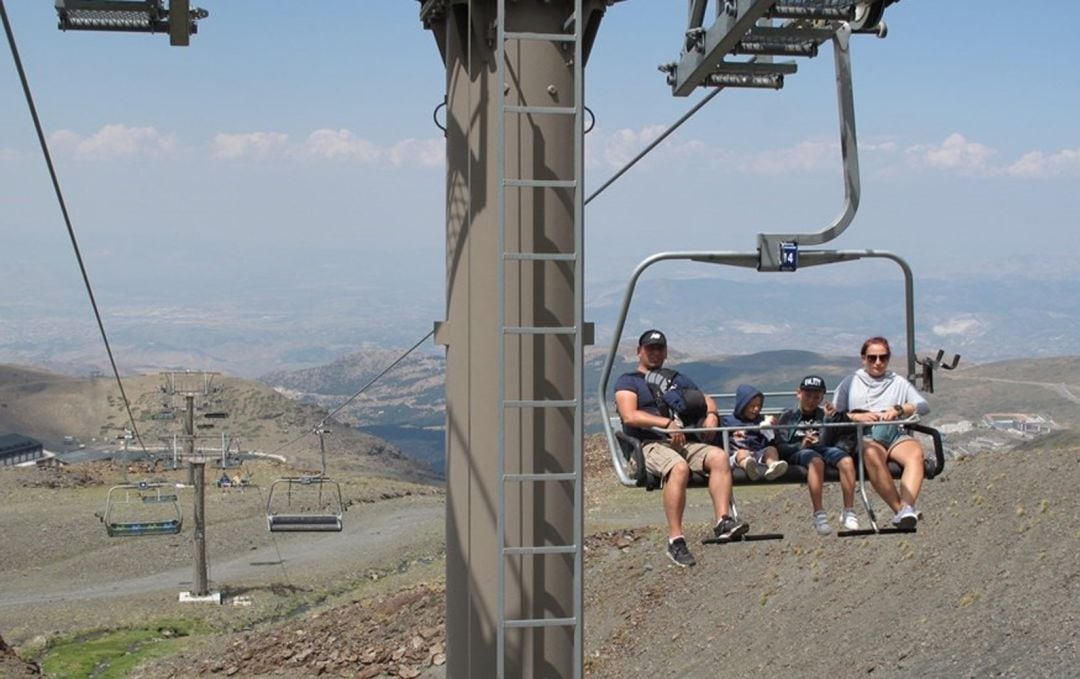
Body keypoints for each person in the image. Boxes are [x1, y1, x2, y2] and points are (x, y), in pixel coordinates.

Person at [614, 329, 748, 567]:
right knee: (679, 467)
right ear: (639, 351)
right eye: (650, 349)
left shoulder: (675, 379)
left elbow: (705, 398)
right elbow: (630, 415)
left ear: (665, 352)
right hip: (649, 444)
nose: (655, 353)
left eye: (659, 349)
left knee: (718, 457)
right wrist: (665, 424)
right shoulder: (629, 381)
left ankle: (722, 520)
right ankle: (676, 539)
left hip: (683, 441)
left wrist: (711, 415)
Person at [833, 336, 930, 529]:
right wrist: (857, 417)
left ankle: (906, 507)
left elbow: (923, 405)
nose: (878, 363)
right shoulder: (850, 382)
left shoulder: (897, 382)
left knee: (915, 453)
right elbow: (835, 414)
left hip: (892, 431)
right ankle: (900, 511)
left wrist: (899, 410)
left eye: (882, 358)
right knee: (871, 454)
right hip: (866, 434)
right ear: (864, 359)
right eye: (872, 358)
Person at [775, 375, 859, 535]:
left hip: (822, 448)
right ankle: (819, 514)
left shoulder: (824, 415)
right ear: (798, 393)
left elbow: (829, 442)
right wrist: (801, 445)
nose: (812, 400)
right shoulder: (787, 416)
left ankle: (849, 510)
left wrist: (827, 422)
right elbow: (781, 447)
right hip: (799, 451)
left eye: (816, 396)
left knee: (846, 461)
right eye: (807, 395)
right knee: (815, 461)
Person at [720, 385, 788, 482]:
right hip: (736, 453)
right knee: (742, 453)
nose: (756, 409)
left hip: (757, 452)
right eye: (752, 406)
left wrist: (772, 430)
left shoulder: (760, 421)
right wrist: (734, 434)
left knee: (771, 450)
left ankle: (773, 466)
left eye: (759, 406)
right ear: (742, 405)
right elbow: (720, 438)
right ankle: (748, 466)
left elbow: (769, 441)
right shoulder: (728, 421)